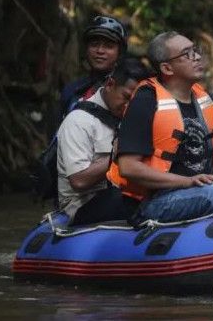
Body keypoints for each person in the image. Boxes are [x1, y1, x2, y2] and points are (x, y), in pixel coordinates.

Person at [110, 31, 213, 224]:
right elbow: (128, 167)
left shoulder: (206, 99)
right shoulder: (146, 100)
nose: (197, 57)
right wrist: (187, 182)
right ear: (167, 68)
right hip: (157, 199)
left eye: (196, 50)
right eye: (187, 54)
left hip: (204, 185)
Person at [57, 58, 149, 225]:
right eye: (126, 97)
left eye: (134, 102)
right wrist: (117, 154)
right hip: (81, 204)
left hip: (119, 194)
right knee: (128, 201)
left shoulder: (130, 117)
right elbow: (78, 181)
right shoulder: (78, 121)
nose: (129, 106)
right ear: (110, 84)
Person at [59, 16, 127, 117]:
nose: (100, 51)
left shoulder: (126, 93)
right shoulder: (71, 90)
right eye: (94, 44)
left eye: (108, 46)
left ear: (119, 53)